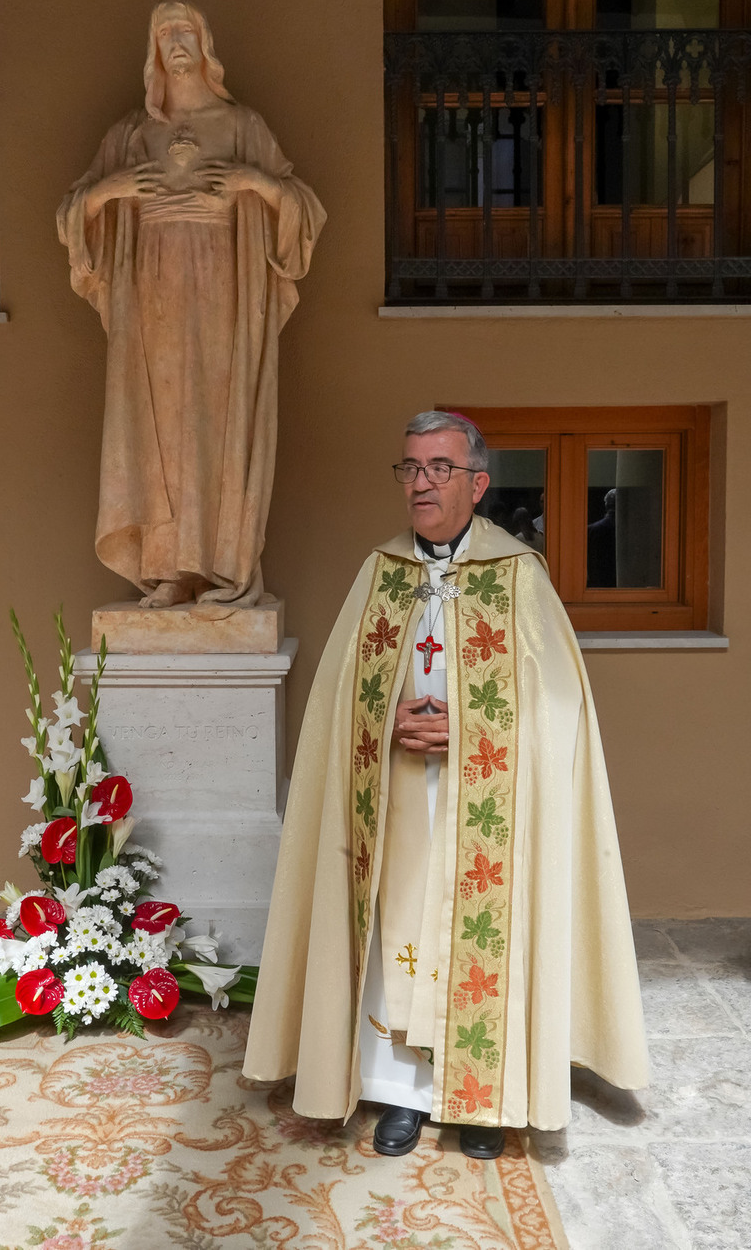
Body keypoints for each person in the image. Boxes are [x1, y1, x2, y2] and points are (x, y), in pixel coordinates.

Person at [243, 410, 647, 1159]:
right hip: (398, 797)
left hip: (482, 806)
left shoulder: (518, 574)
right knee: (396, 937)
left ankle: (483, 1101)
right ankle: (401, 1093)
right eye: (410, 467)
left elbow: (558, 708)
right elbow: (340, 696)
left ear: (478, 483)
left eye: (438, 468)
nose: (420, 483)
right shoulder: (381, 571)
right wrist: (383, 712)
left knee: (478, 931)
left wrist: (468, 728)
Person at [57, 0, 326, 609]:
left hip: (223, 302)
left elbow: (304, 206)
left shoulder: (243, 127)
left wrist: (254, 183)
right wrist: (108, 190)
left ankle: (221, 567)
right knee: (156, 431)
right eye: (164, 33)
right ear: (152, 51)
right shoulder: (129, 135)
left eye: (185, 30)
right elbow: (71, 212)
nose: (176, 42)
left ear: (205, 45)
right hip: (149, 304)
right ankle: (171, 569)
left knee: (216, 424)